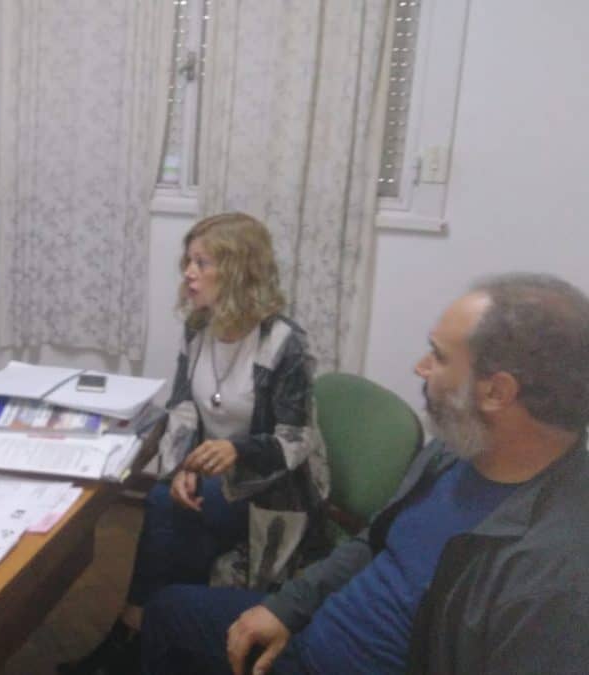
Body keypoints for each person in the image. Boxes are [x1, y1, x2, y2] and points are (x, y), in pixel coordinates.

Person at [140, 272, 589, 675]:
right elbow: (375, 540)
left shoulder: (557, 576)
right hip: (313, 633)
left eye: (438, 356)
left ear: (497, 392)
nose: (420, 368)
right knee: (166, 612)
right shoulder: (458, 450)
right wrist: (287, 608)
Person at [59, 213, 329, 675]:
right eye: (188, 261)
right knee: (173, 506)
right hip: (214, 473)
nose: (188, 273)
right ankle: (149, 634)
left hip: (274, 487)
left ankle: (132, 631)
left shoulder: (285, 343)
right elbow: (183, 407)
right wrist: (182, 463)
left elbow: (296, 438)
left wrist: (239, 450)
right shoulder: (198, 327)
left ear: (238, 270)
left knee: (167, 511)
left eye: (202, 263)